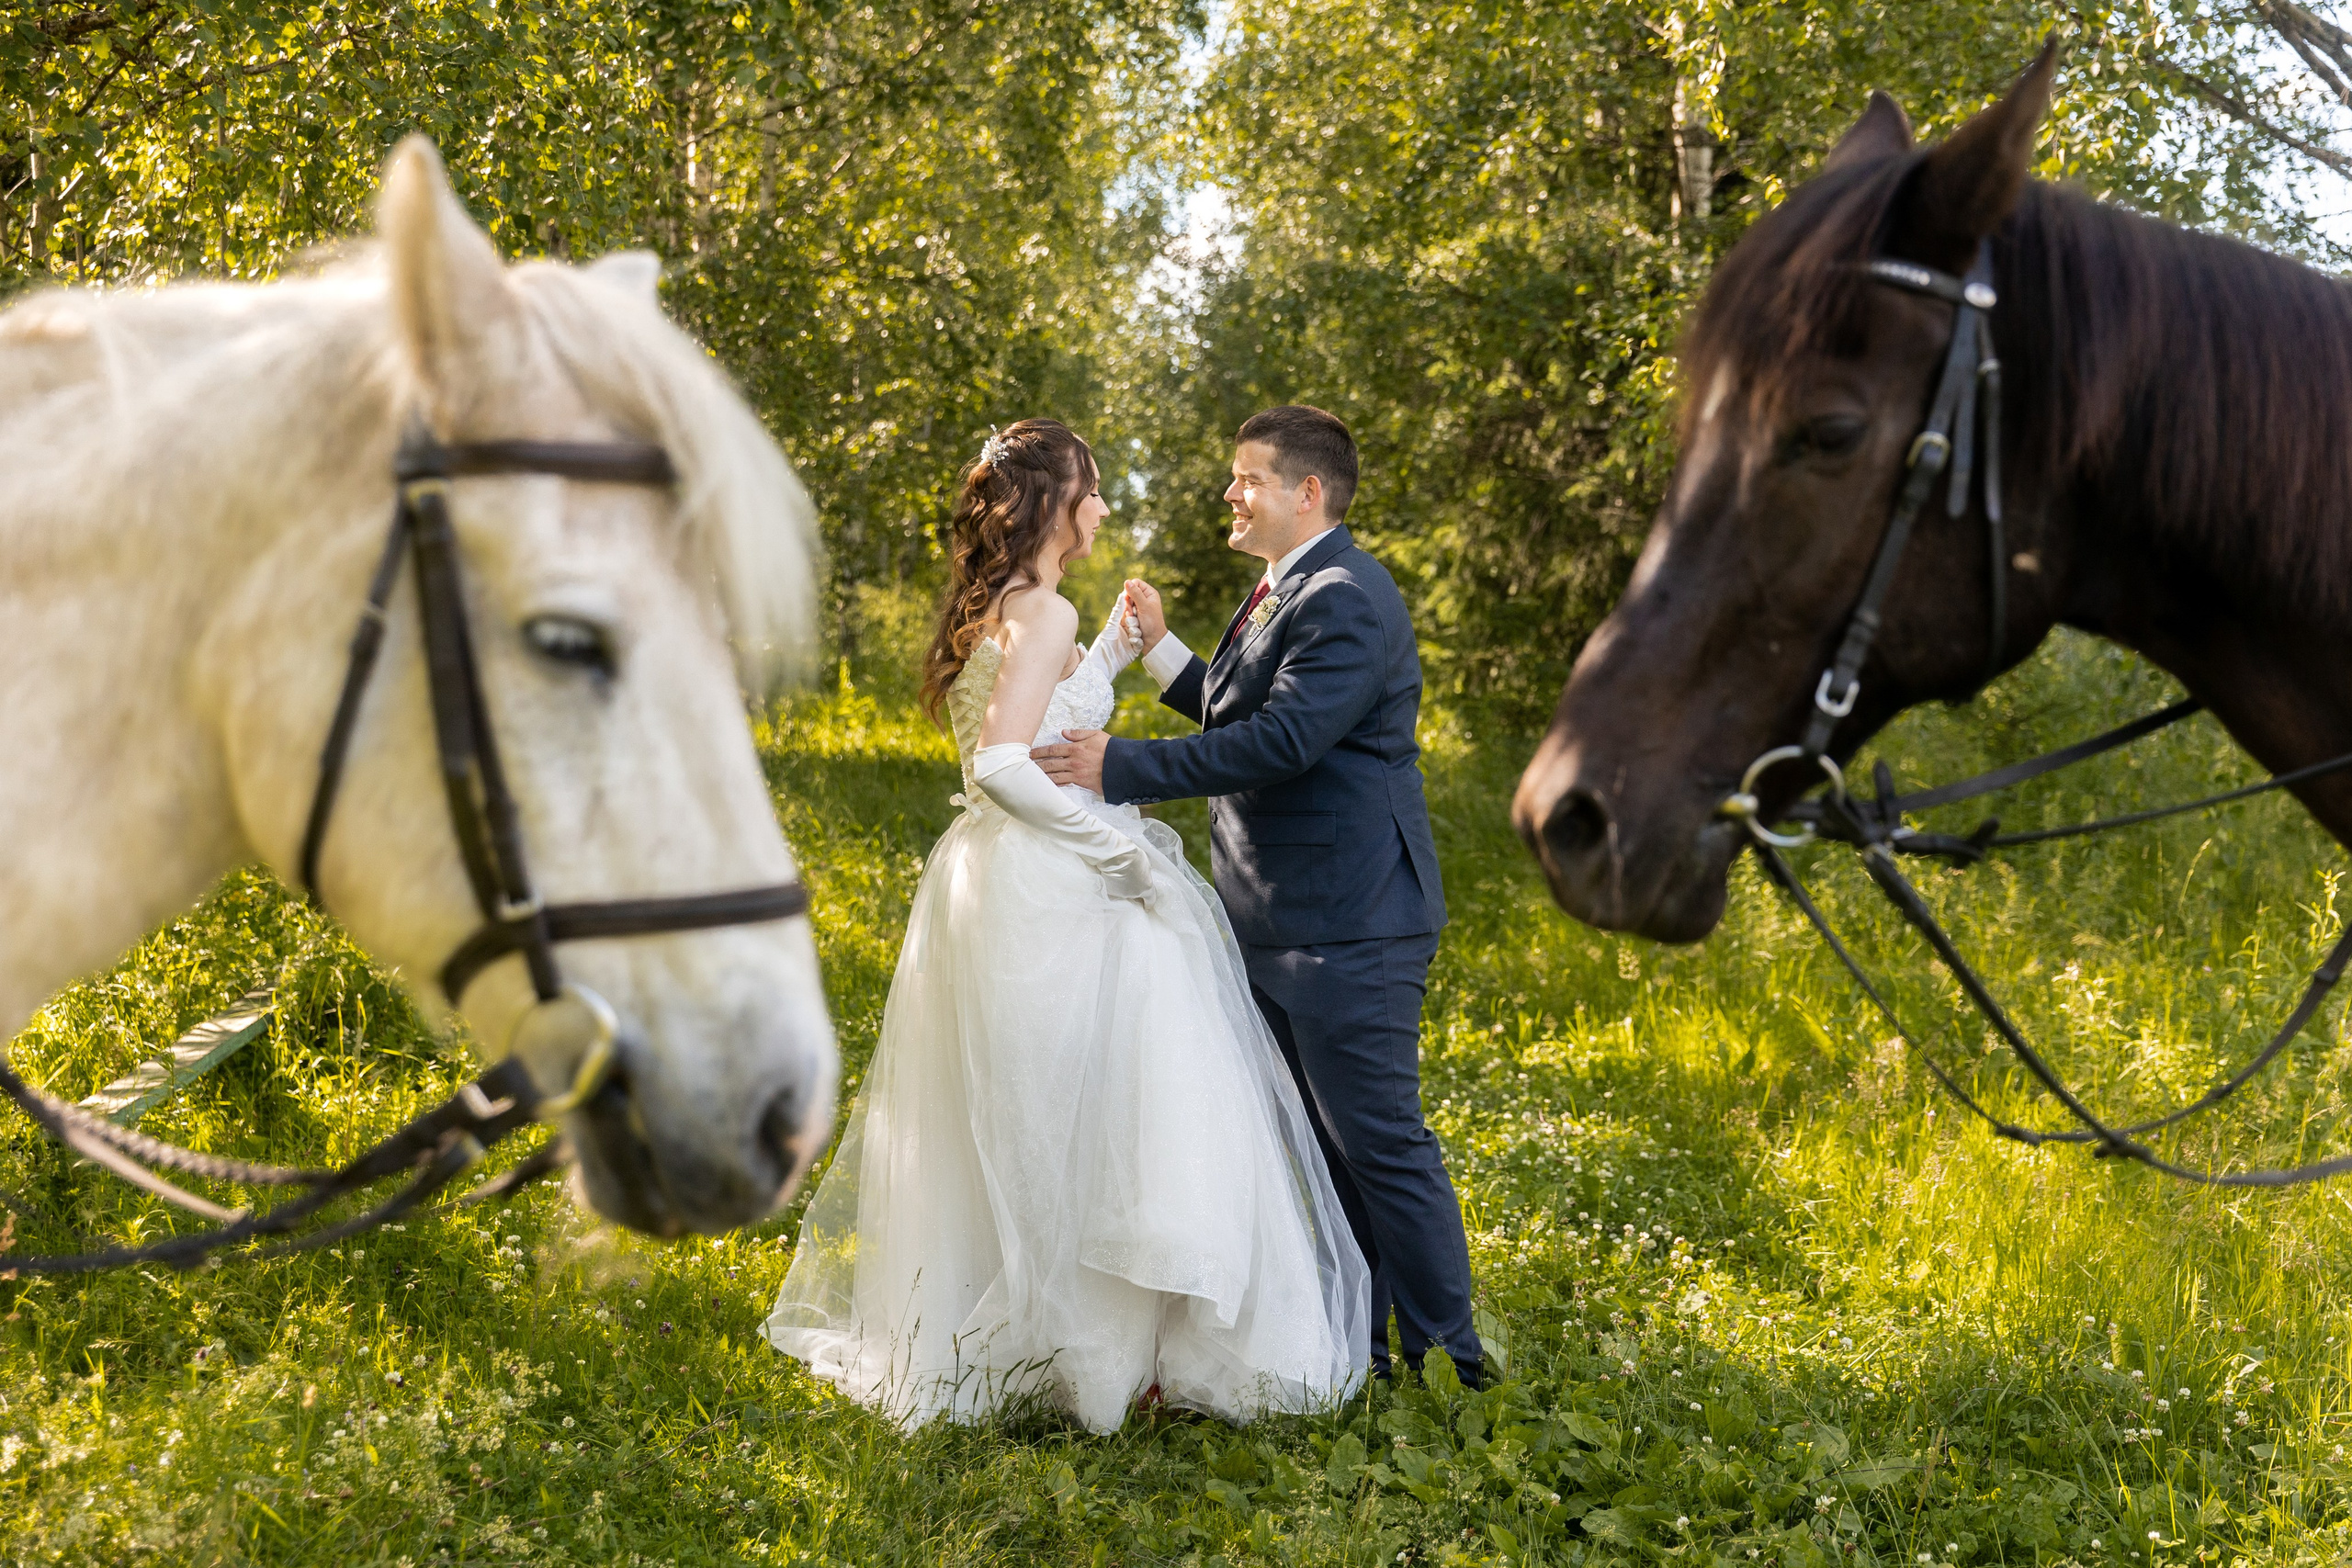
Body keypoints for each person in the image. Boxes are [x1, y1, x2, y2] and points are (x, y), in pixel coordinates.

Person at [763, 418, 1369, 1433]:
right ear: (1052, 504)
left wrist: (1117, 652)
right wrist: (1116, 852)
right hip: (1057, 882)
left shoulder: (1008, 608)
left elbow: (1037, 717)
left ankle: (1061, 1343)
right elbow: (1004, 766)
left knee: (1038, 1111)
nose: (1099, 508)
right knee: (1095, 1112)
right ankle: (1099, 1354)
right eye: (1089, 490)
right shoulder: (1040, 611)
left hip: (993, 877)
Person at [1032, 405, 1483, 1387]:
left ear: (1306, 492)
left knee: (1378, 1142)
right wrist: (1158, 651)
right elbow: (1241, 709)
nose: (1230, 495)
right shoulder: (1281, 589)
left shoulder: (1347, 597)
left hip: (1350, 917)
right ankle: (1362, 1343)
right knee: (1322, 1149)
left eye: (1248, 479)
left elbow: (1283, 745)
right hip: (1273, 910)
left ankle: (1453, 1363)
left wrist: (1119, 767)